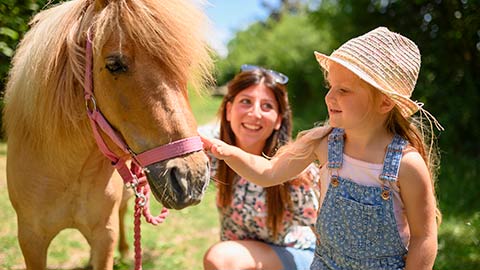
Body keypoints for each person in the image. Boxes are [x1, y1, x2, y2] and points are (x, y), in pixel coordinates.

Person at [202, 27, 443, 269]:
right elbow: (268, 172)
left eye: (344, 90)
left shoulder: (406, 164)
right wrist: (228, 152)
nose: (329, 97)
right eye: (330, 87)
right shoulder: (324, 143)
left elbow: (424, 237)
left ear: (385, 101)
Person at [202, 64, 320, 270]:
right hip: (247, 256)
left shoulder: (294, 168)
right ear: (229, 111)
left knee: (222, 258)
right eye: (246, 102)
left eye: (267, 106)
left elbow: (324, 234)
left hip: (296, 256)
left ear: (278, 120)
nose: (255, 113)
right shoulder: (217, 153)